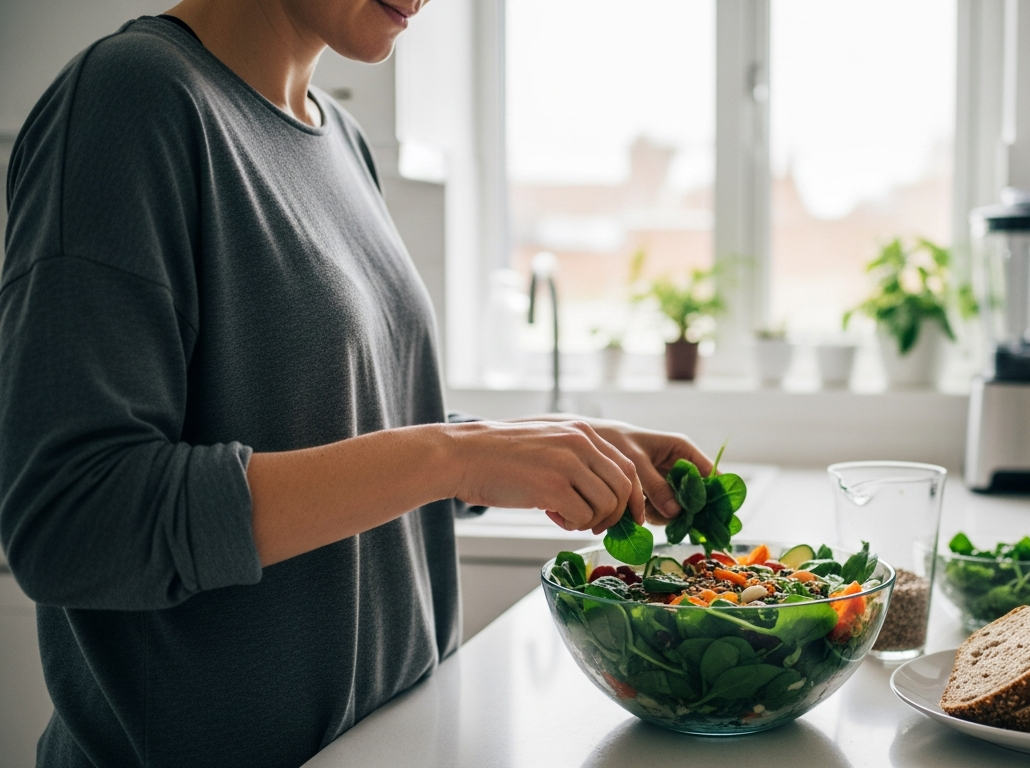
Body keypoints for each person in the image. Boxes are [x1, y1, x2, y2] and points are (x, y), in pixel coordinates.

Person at [0, 1, 712, 765]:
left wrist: (544, 446)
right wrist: (453, 457)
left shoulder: (340, 138)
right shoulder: (129, 101)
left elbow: (343, 418)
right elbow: (70, 520)